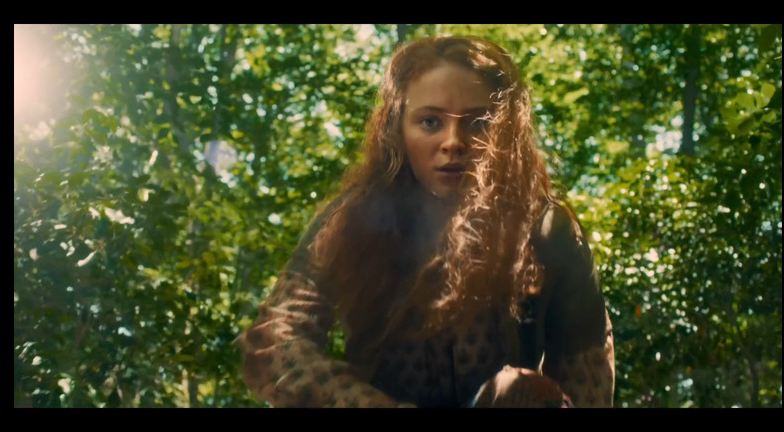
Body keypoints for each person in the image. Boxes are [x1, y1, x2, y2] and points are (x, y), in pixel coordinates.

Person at [241, 35, 614, 408]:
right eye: (431, 121)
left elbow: (588, 381)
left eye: (478, 123)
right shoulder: (351, 219)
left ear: (506, 132)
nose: (453, 142)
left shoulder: (547, 230)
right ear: (398, 130)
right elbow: (275, 342)